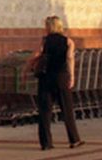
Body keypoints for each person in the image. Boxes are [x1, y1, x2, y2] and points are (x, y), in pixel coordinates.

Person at [33, 14, 83, 150]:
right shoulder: (68, 41)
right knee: (67, 109)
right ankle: (74, 139)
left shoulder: (45, 41)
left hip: (46, 78)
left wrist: (29, 67)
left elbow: (37, 55)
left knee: (45, 111)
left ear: (49, 27)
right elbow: (69, 59)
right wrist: (71, 76)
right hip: (61, 77)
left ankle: (46, 143)